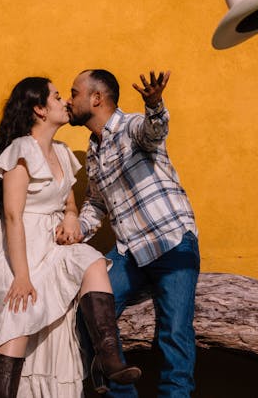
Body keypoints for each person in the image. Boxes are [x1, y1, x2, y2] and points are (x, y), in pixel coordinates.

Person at [0, 77, 140, 398]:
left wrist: (69, 216)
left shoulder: (63, 153)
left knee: (92, 260)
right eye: (55, 97)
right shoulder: (21, 151)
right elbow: (12, 215)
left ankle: (109, 360)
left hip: (52, 245)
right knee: (22, 308)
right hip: (16, 248)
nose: (65, 101)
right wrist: (22, 276)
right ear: (39, 109)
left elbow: (67, 202)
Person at [61, 69, 200, 397]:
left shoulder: (131, 126)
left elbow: (154, 131)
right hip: (130, 253)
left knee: (174, 336)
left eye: (74, 92)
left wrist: (155, 105)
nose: (69, 100)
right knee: (89, 312)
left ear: (96, 98)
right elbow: (96, 203)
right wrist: (75, 231)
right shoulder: (93, 149)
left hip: (171, 243)